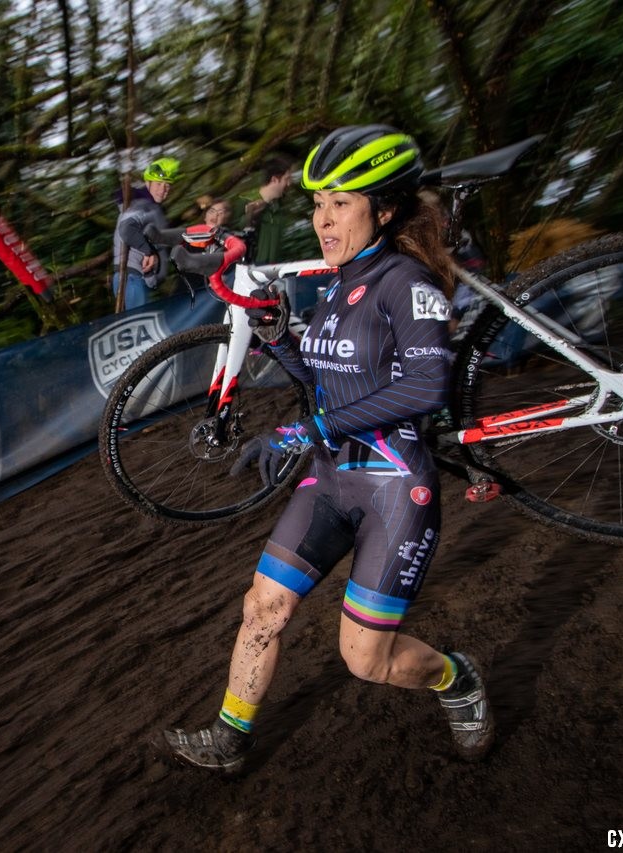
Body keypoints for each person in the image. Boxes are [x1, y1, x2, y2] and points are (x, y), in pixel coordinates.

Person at [162, 125, 494, 774]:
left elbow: (424, 385)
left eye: (340, 202)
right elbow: (323, 384)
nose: (322, 218)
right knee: (263, 605)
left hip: (394, 490)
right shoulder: (341, 284)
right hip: (329, 480)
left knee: (366, 660)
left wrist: (311, 430)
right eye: (316, 204)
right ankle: (230, 737)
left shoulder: (405, 282)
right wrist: (277, 333)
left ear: (386, 209)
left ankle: (456, 677)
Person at [111, 157, 179, 310]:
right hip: (132, 280)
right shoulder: (142, 206)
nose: (163, 189)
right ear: (147, 183)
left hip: (140, 280)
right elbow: (126, 229)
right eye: (159, 184)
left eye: (167, 186)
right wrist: (149, 252)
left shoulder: (151, 207)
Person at [235, 156, 293, 263]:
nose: (289, 184)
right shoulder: (245, 201)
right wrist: (251, 216)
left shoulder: (279, 207)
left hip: (275, 270)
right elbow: (233, 233)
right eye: (287, 179)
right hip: (249, 270)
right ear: (274, 179)